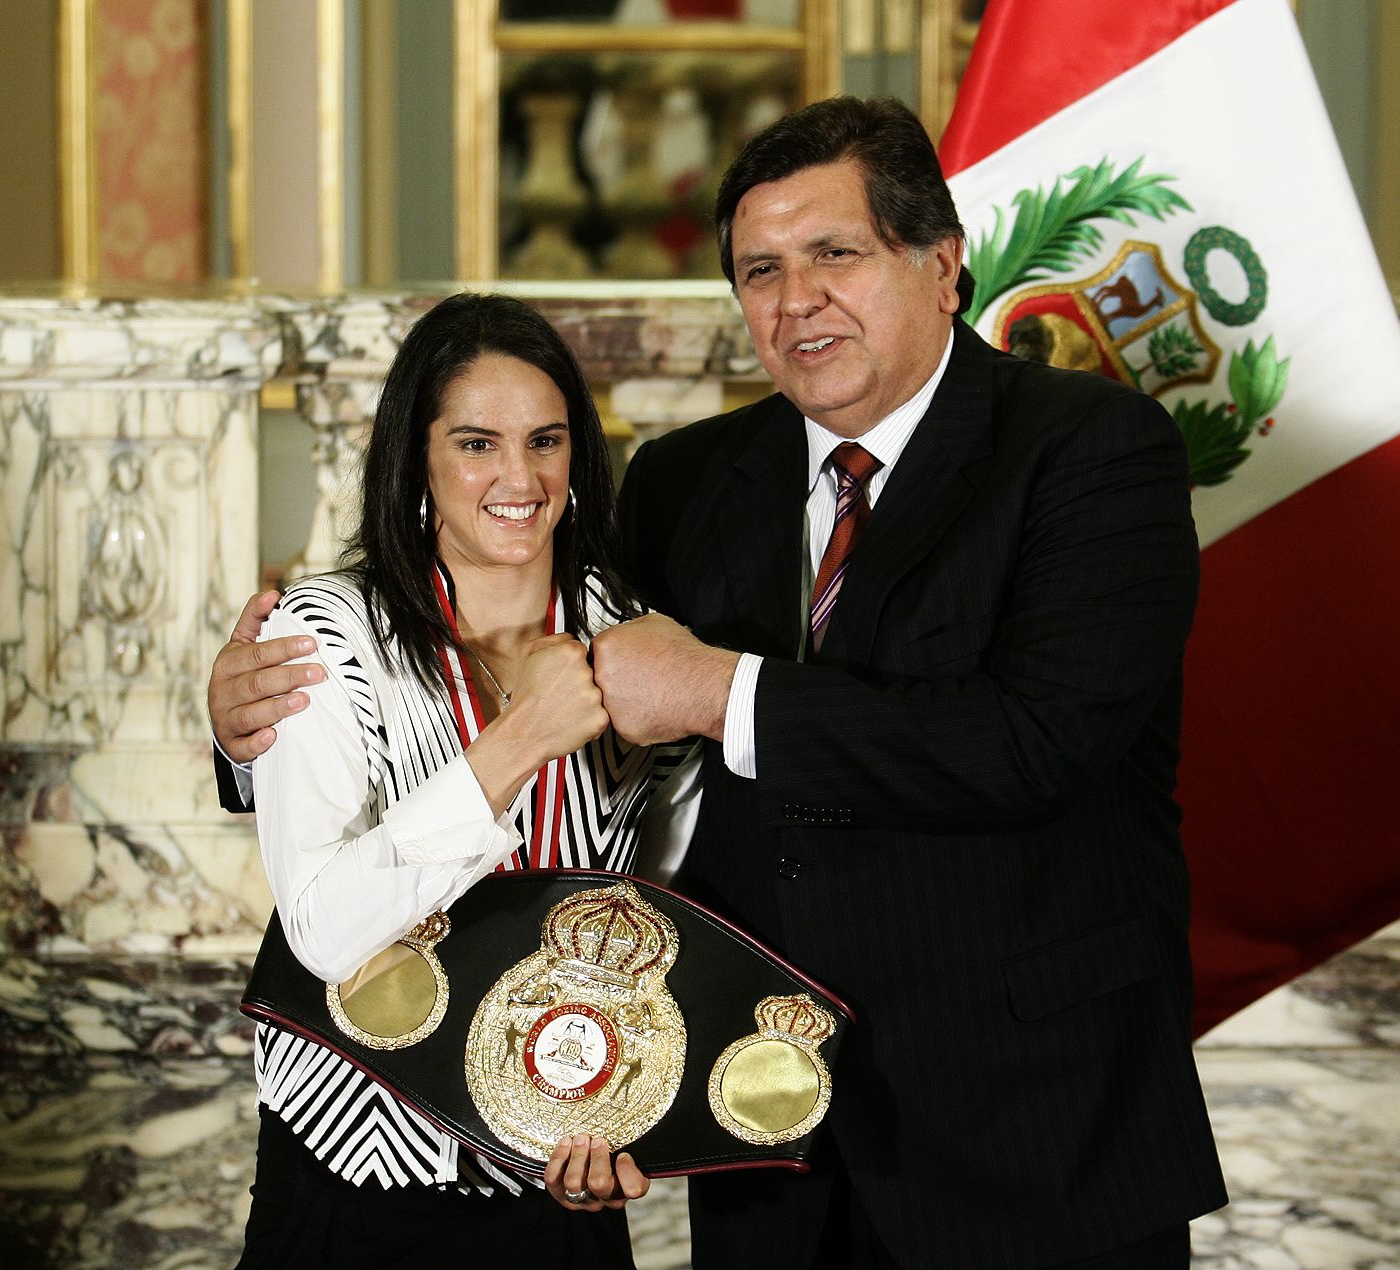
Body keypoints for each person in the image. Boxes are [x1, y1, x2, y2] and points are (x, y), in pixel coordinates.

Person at [215, 98, 1225, 1268]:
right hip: (758, 1147)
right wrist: (253, 734)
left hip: (1033, 1133)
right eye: (760, 269)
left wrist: (718, 690)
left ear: (942, 264)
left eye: (834, 253)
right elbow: (600, 781)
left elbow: (1034, 743)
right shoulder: (685, 482)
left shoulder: (1095, 452)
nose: (796, 301)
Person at [226, 292, 664, 1268]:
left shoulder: (627, 627)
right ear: (415, 459)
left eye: (546, 442)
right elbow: (327, 926)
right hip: (360, 1176)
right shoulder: (326, 634)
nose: (520, 476)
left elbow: (666, 907)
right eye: (477, 443)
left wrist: (642, 1112)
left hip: (558, 1171)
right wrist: (513, 745)